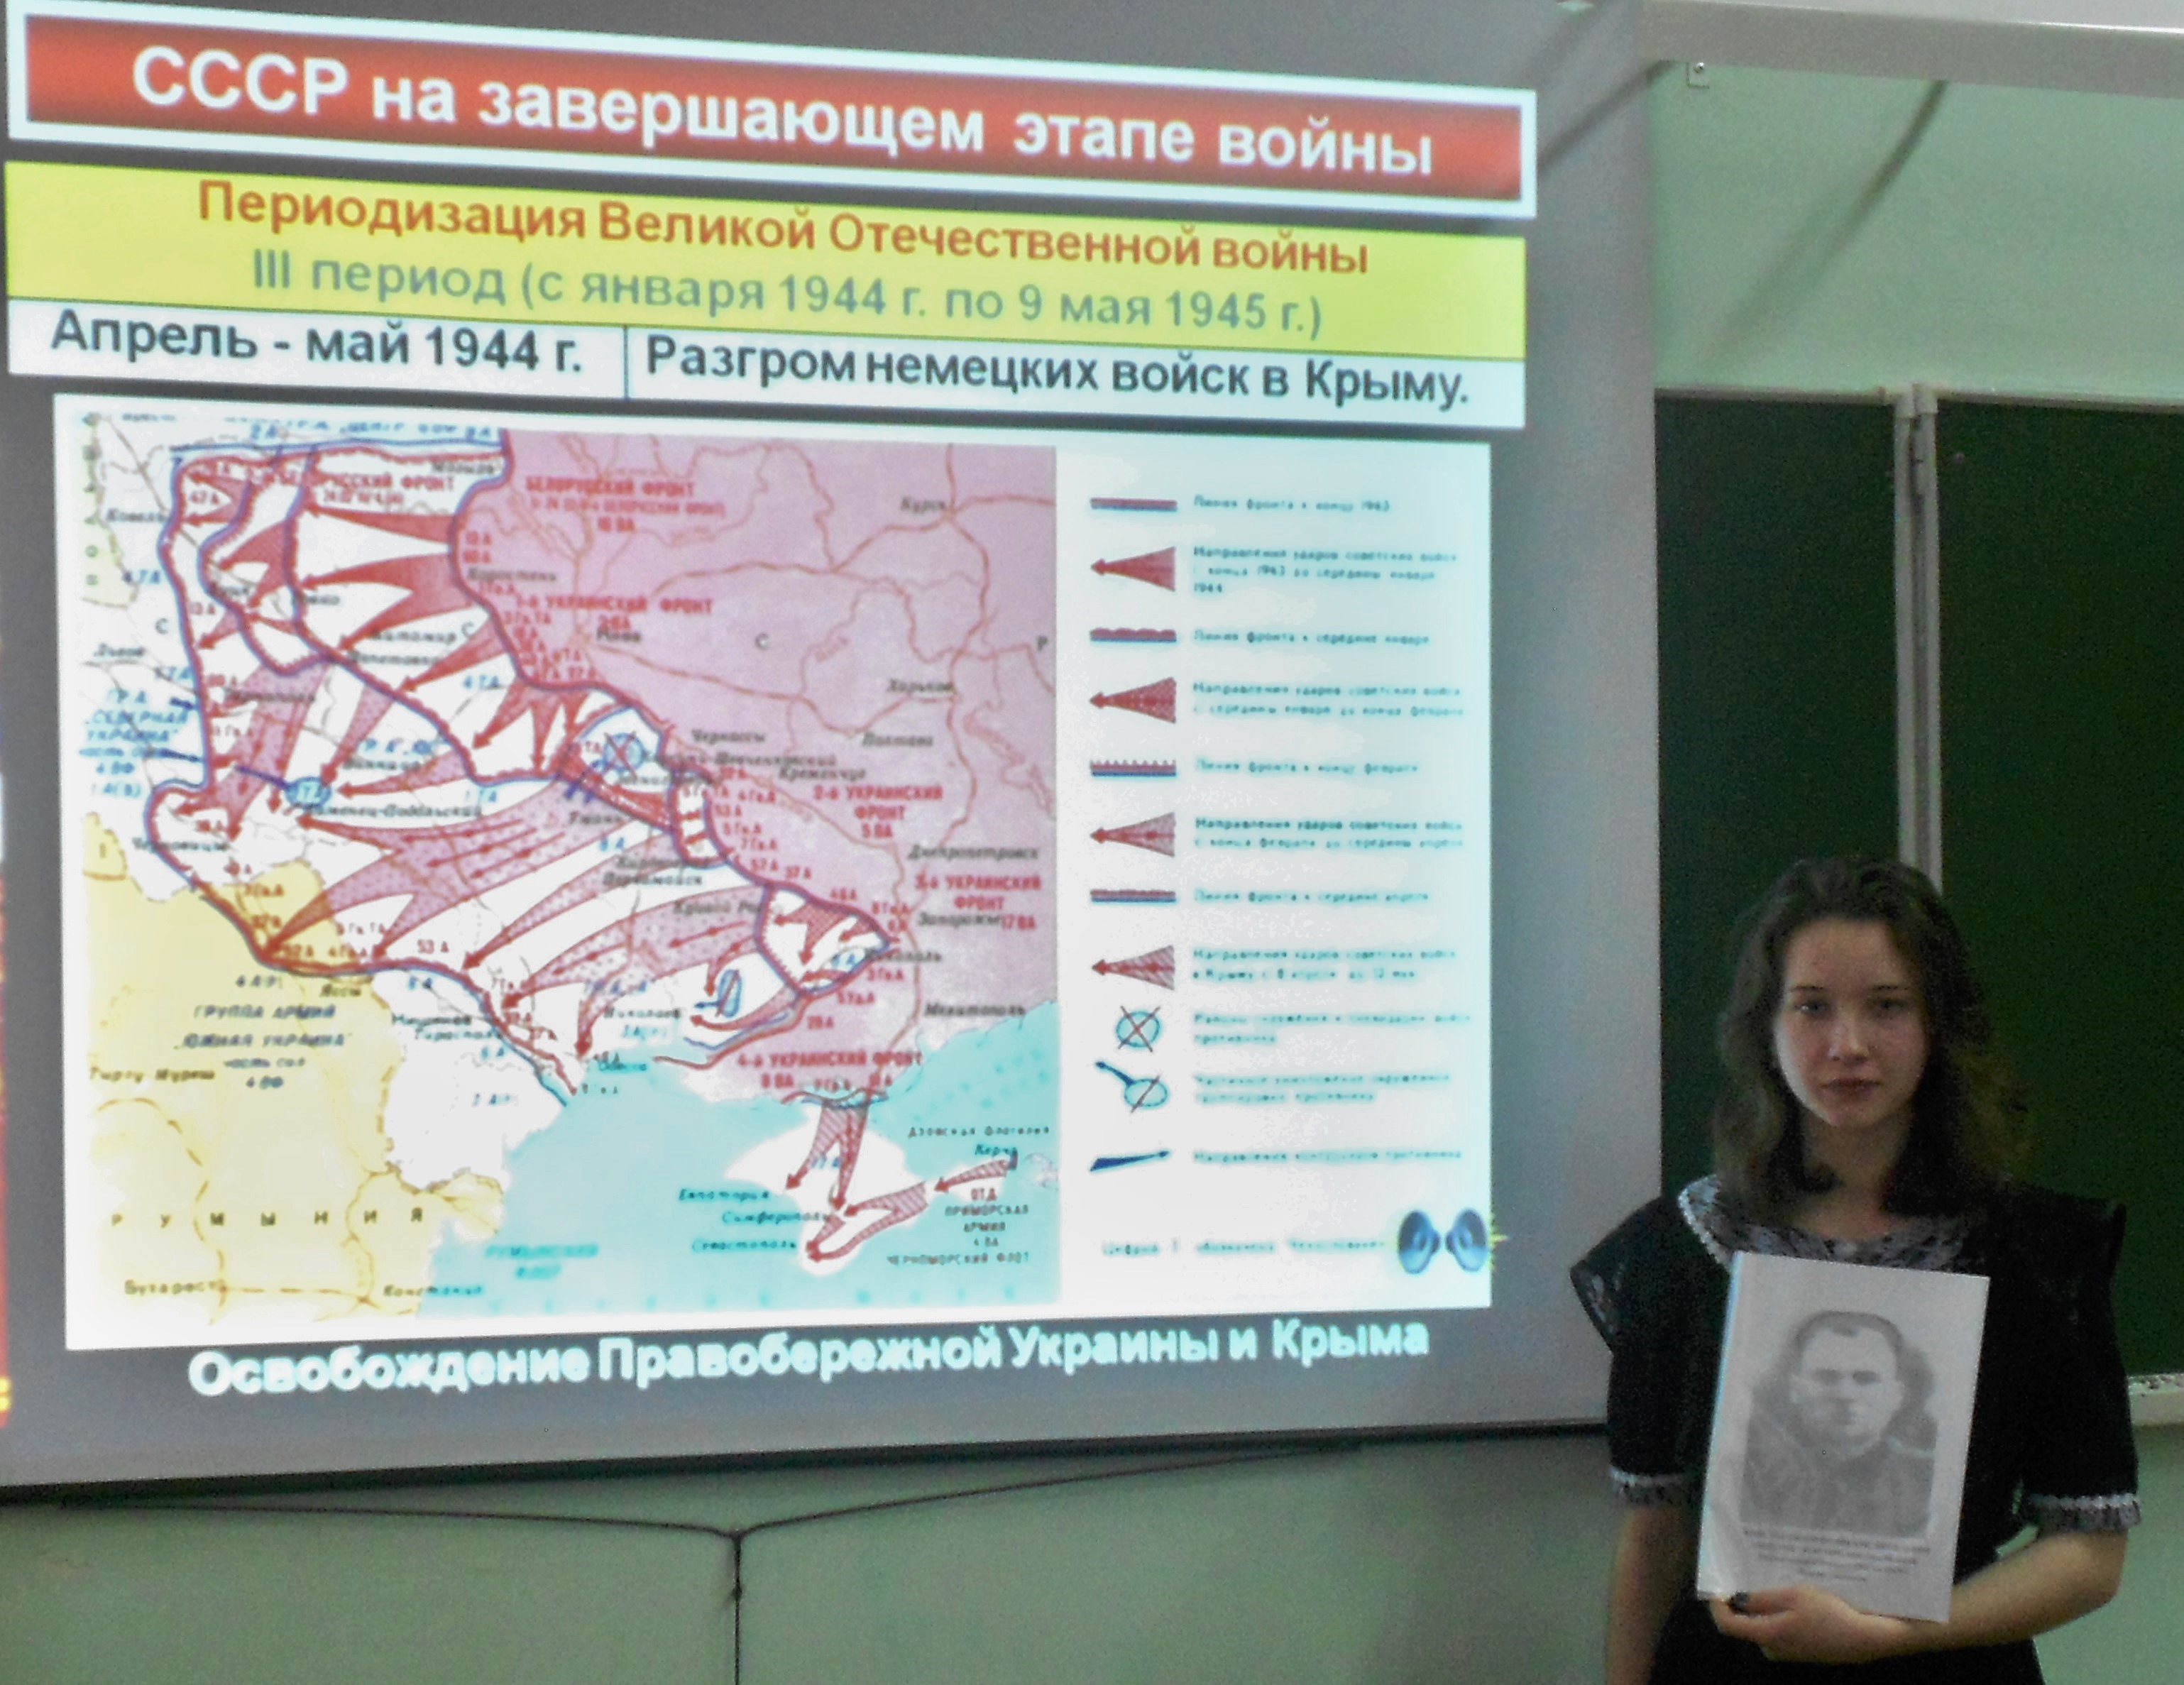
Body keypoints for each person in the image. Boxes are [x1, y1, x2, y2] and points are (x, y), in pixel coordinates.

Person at [1572, 857, 2137, 1683]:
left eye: (1886, 1006)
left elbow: (2088, 1554)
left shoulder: (2032, 1256)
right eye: (1810, 1006)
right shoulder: (1679, 1250)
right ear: (1764, 1027)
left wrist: (1893, 1635)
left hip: (1950, 1668)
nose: (1847, 1046)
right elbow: (1655, 1538)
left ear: (1936, 1025)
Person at [1740, 1310, 1936, 1538]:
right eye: (1827, 1377)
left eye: (1866, 1379)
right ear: (1795, 1390)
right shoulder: (1751, 1475)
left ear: (1897, 1395)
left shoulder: (1926, 1480)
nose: (1845, 1394)